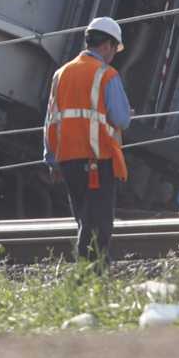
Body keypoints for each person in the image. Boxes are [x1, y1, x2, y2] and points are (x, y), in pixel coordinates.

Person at [44, 16, 131, 265]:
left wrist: (52, 160)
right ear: (107, 45)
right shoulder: (106, 74)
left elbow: (51, 120)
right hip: (97, 161)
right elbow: (122, 119)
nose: (114, 55)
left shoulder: (61, 74)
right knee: (98, 226)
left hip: (68, 162)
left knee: (85, 219)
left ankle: (95, 273)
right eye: (115, 49)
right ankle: (87, 277)